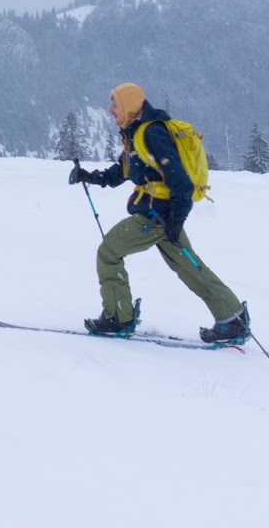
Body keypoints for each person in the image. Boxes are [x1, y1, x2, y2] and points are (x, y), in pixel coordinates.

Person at [67, 82, 251, 344]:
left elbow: (181, 182)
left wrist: (176, 219)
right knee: (187, 265)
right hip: (162, 215)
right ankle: (233, 319)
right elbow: (122, 171)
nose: (110, 110)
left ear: (129, 107)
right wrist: (90, 176)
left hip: (155, 217)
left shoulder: (151, 133)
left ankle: (119, 318)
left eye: (115, 105)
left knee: (108, 253)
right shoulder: (135, 133)